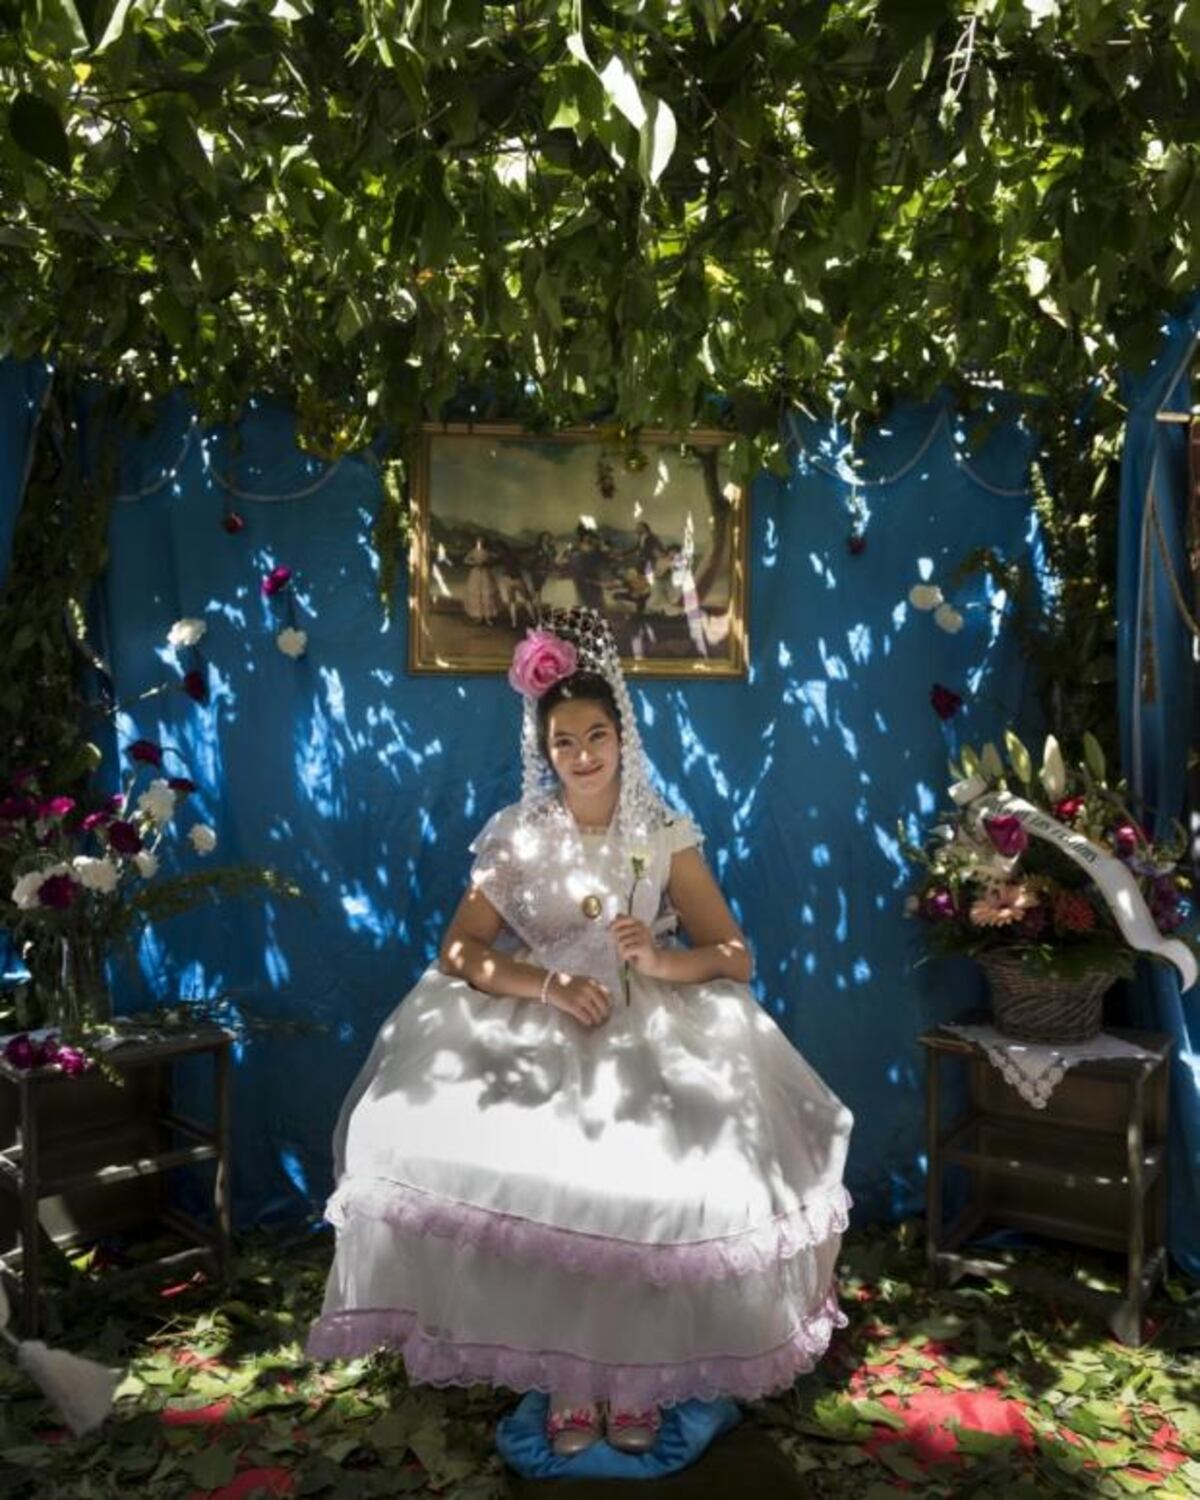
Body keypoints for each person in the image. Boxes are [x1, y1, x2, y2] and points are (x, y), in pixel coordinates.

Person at [307, 607, 853, 1461]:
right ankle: (565, 1372)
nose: (584, 754)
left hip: (653, 1023)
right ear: (545, 750)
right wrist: (547, 984)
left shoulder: (662, 834)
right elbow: (459, 950)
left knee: (649, 1187)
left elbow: (734, 955)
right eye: (564, 742)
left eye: (597, 735)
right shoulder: (520, 835)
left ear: (622, 737)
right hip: (542, 1019)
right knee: (548, 1185)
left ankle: (633, 1375)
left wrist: (662, 961)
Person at [463, 536, 500, 625]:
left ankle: (488, 618)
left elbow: (495, 558)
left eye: (481, 541)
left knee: (486, 594)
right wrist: (474, 563)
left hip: (485, 573)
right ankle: (479, 617)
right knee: (477, 594)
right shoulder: (473, 551)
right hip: (475, 573)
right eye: (478, 541)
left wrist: (487, 563)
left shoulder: (487, 551)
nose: (480, 543)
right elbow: (465, 560)